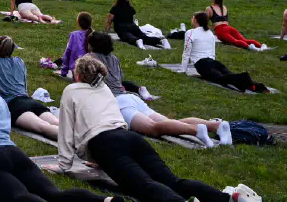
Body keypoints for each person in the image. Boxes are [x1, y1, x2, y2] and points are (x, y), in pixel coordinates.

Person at [0, 61, 120, 202]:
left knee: (20, 197)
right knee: (54, 194)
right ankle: (104, 200)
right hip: (12, 152)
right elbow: (4, 129)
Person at [57, 55, 233, 202]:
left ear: (78, 75)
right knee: (173, 181)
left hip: (106, 145)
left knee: (144, 186)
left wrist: (64, 165)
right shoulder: (104, 89)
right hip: (130, 138)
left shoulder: (71, 90)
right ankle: (227, 198)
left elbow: (66, 128)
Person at [88, 32, 229, 146]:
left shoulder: (89, 59)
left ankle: (196, 130)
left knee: (154, 128)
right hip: (130, 98)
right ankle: (215, 125)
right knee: (168, 123)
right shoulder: (114, 58)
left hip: (118, 102)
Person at [0, 36, 59, 140]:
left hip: (14, 105)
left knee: (43, 127)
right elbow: (24, 84)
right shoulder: (19, 61)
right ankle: (83, 137)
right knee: (57, 122)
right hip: (29, 101)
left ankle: (75, 140)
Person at [179, 12, 269, 94]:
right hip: (213, 62)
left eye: (192, 18)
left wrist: (183, 70)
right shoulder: (209, 33)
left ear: (195, 20)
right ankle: (256, 86)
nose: (191, 20)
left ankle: (245, 77)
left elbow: (186, 53)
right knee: (231, 76)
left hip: (202, 65)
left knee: (221, 79)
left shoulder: (190, 32)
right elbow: (212, 52)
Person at [59, 12, 93, 78]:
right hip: (91, 69)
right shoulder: (94, 34)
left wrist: (64, 71)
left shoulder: (74, 35)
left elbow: (67, 53)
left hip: (76, 68)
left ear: (78, 23)